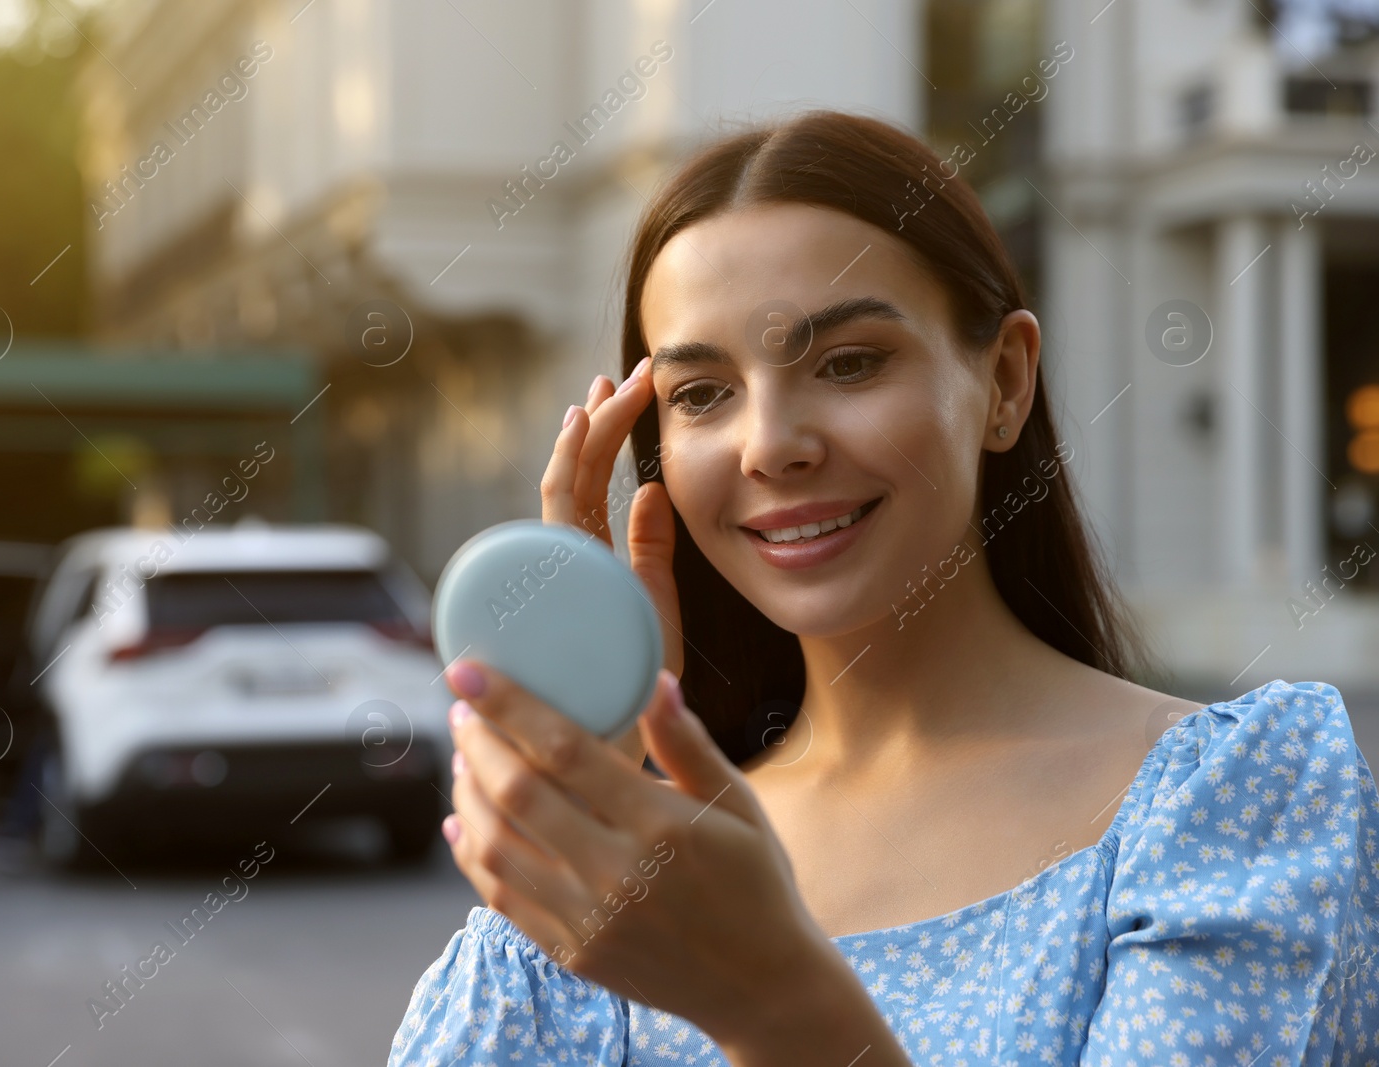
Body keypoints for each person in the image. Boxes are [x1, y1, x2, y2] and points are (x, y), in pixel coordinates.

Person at [386, 110, 1379, 1066]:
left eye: (850, 362)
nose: (771, 444)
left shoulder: (1234, 799)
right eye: (700, 392)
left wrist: (771, 999)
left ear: (1003, 382)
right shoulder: (652, 866)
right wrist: (597, 775)